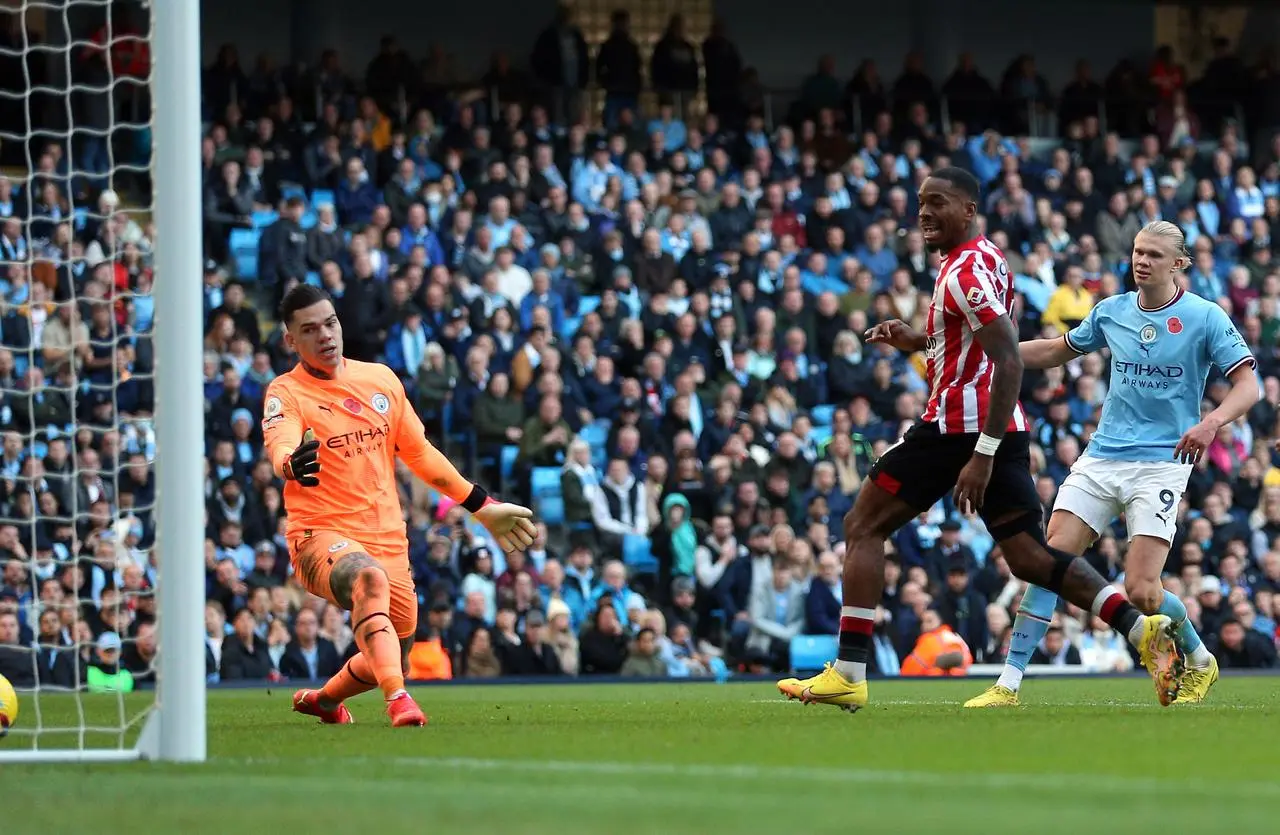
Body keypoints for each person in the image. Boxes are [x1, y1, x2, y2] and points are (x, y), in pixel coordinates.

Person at [777, 168, 1179, 713]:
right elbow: (970, 335)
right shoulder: (984, 257)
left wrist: (981, 456)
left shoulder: (964, 273)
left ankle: (849, 672)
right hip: (996, 425)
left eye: (937, 203)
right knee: (1031, 559)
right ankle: (1137, 629)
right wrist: (918, 339)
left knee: (862, 524)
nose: (923, 213)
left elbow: (1008, 357)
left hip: (957, 427)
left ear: (968, 209)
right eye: (920, 203)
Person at [966, 221, 1259, 708]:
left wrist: (1213, 422)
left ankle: (1200, 660)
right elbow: (1058, 350)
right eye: (1138, 252)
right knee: (1049, 561)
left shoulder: (1205, 317)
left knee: (1143, 592)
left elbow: (1250, 385)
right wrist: (992, 352)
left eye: (1154, 255)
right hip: (1102, 456)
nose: (1142, 261)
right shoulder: (1111, 311)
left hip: (1163, 463)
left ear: (1179, 264)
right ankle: (1008, 684)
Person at [265, 285, 537, 728]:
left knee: (393, 653)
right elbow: (281, 444)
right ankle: (400, 701)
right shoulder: (286, 392)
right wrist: (290, 464)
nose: (325, 336)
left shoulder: (381, 380)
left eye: (330, 323)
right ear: (290, 340)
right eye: (309, 330)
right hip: (319, 535)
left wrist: (482, 505)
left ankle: (325, 701)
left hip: (389, 539)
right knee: (367, 581)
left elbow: (421, 454)